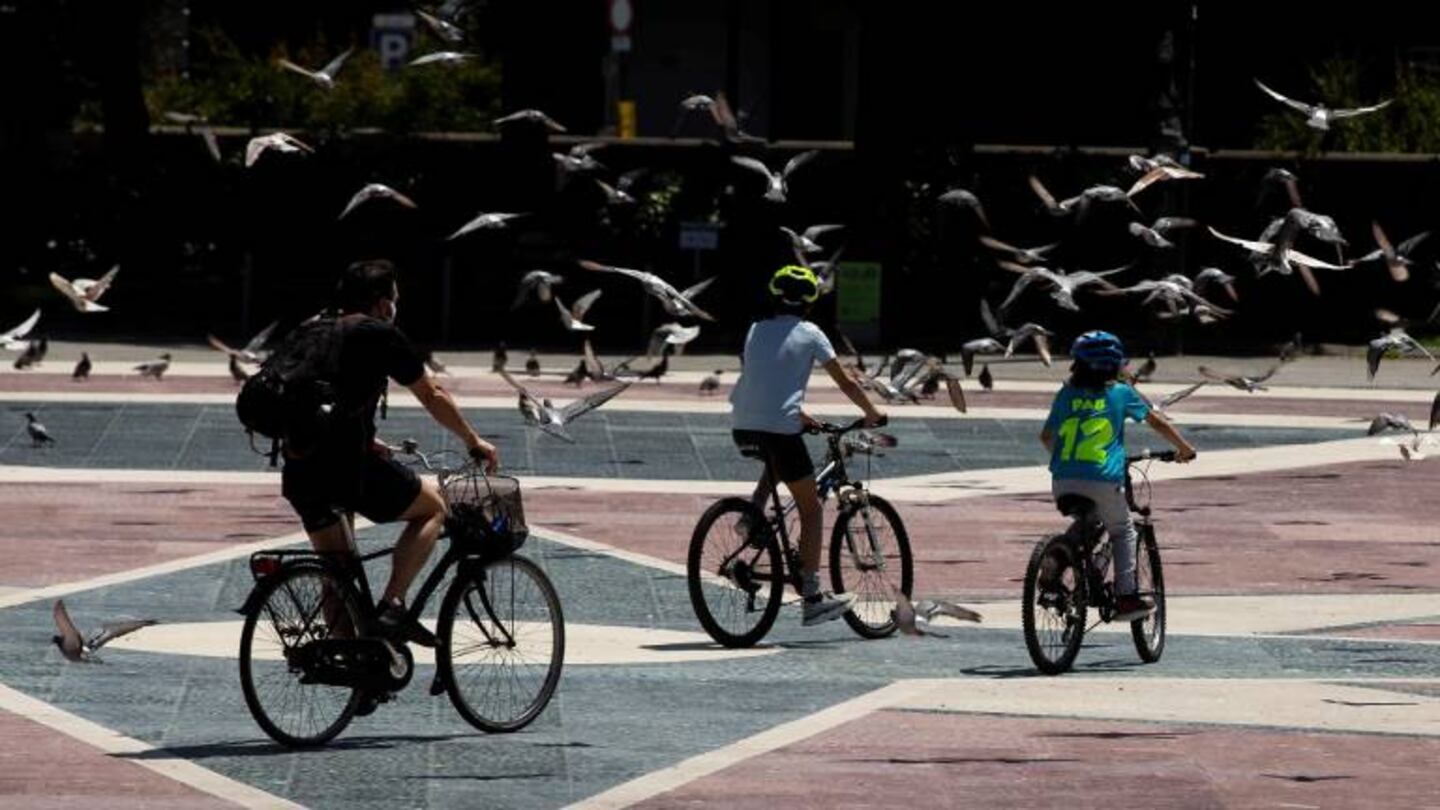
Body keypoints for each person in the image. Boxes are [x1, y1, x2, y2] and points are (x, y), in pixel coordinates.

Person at [281, 259, 500, 648]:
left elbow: (319, 400)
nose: (396, 307)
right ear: (382, 303)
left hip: (301, 467)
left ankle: (350, 666)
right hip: (347, 469)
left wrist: (366, 440)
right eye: (395, 299)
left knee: (337, 571)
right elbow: (432, 395)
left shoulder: (313, 328)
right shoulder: (379, 334)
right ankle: (393, 604)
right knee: (434, 508)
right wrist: (472, 439)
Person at [728, 265, 887, 626]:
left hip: (743, 426)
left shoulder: (755, 329)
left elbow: (766, 380)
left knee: (778, 468)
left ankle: (750, 518)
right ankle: (812, 597)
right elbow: (846, 381)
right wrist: (872, 412)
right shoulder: (811, 332)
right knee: (811, 508)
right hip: (778, 430)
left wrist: (799, 415)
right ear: (810, 303)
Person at [1039, 330, 1196, 622]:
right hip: (1102, 478)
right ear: (1113, 365)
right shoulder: (1121, 393)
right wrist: (1185, 449)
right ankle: (1126, 597)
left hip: (1061, 479)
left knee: (1091, 520)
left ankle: (1057, 559)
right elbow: (1157, 422)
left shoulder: (1066, 393)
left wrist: (1066, 461)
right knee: (1123, 530)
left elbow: (1047, 436)